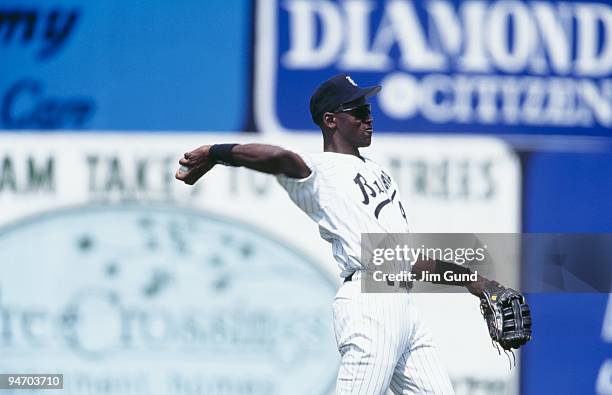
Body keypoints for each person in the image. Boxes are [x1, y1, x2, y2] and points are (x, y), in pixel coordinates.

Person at [176, 74, 490, 394]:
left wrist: (471, 280)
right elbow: (278, 157)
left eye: (367, 109)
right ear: (330, 120)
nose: (368, 118)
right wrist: (216, 152)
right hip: (370, 305)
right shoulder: (319, 172)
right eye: (357, 111)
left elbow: (404, 258)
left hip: (403, 306)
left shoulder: (377, 171)